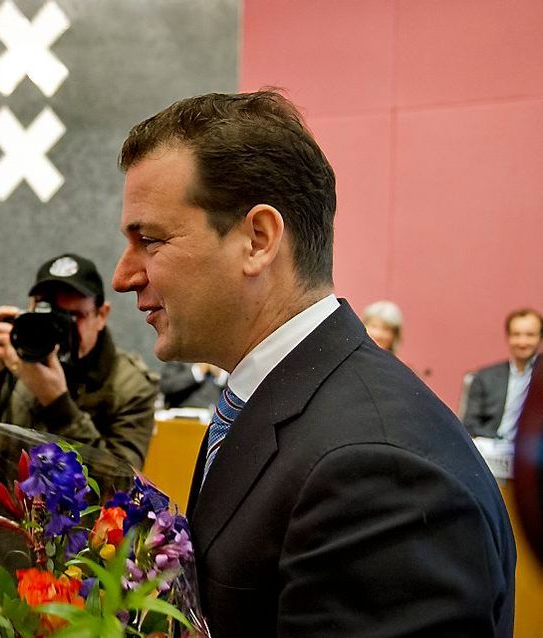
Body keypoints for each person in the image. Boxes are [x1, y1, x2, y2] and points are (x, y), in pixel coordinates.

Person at [112, 90, 515, 636]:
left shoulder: (376, 470)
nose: (124, 275)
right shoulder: (277, 401)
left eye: (151, 240)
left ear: (258, 240)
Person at [0, 253, 158, 470]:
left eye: (73, 317)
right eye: (48, 315)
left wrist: (58, 404)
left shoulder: (131, 386)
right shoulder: (16, 362)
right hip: (2, 509)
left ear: (102, 315)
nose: (58, 329)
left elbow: (120, 487)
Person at [463, 307, 542, 440]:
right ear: (508, 336)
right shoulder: (484, 377)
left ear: (540, 337)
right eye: (516, 334)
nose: (522, 342)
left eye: (530, 335)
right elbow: (470, 424)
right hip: (491, 446)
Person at [159, 361, 227, 410]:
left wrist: (221, 376)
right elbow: (166, 386)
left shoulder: (226, 355)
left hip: (217, 416)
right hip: (183, 414)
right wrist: (197, 372)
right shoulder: (178, 355)